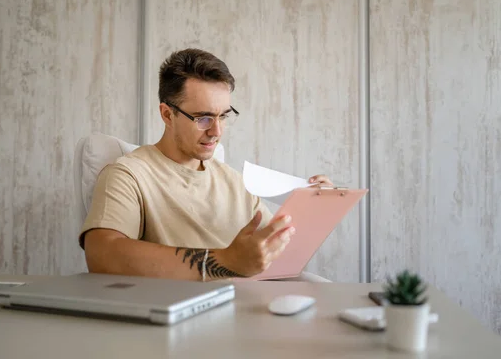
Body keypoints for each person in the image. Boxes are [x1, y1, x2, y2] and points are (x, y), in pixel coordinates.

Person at [79, 48, 333, 281]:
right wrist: (224, 261)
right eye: (203, 118)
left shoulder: (234, 181)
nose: (217, 131)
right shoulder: (128, 175)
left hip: (250, 309)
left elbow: (278, 252)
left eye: (223, 115)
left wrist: (314, 208)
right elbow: (102, 255)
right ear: (168, 114)